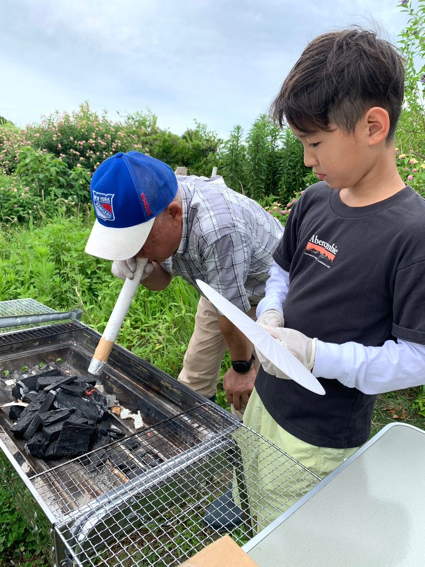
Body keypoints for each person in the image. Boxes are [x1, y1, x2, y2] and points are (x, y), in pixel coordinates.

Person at [242, 29, 425, 529]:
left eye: (316, 142)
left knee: (292, 539)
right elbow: (283, 270)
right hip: (265, 399)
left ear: (372, 126)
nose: (308, 159)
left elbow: (416, 359)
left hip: (319, 437)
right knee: (255, 497)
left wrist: (315, 356)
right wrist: (271, 311)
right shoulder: (314, 201)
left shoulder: (413, 233)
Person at [84, 151, 283, 411]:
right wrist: (144, 273)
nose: (135, 252)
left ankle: (247, 425)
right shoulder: (158, 206)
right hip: (216, 287)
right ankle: (195, 423)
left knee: (258, 387)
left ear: (174, 213)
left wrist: (242, 368)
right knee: (193, 381)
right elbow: (162, 281)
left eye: (139, 241)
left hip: (268, 295)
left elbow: (231, 315)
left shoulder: (219, 229)